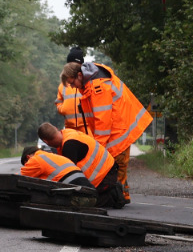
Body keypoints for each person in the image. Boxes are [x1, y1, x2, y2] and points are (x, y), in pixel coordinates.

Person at [59, 59, 152, 204]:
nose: (72, 86)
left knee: (115, 166)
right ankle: (122, 196)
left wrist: (98, 149)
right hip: (118, 129)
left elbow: (103, 121)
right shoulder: (93, 82)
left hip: (118, 132)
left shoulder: (98, 87)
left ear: (79, 75)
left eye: (72, 82)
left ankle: (118, 198)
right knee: (117, 166)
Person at [36, 122, 125, 208]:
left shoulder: (69, 146)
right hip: (108, 171)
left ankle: (114, 195)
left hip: (104, 177)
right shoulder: (68, 133)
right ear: (56, 128)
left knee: (83, 203)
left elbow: (69, 176)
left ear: (46, 141)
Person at [19, 145, 95, 188]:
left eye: (26, 164)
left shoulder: (35, 159)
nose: (27, 166)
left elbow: (18, 179)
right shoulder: (53, 156)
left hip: (72, 189)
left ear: (28, 157)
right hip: (87, 186)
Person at [55, 47, 87, 132]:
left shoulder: (87, 81)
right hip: (70, 128)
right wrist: (63, 109)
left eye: (76, 64)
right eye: (71, 63)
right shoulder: (63, 84)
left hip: (87, 127)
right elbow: (58, 102)